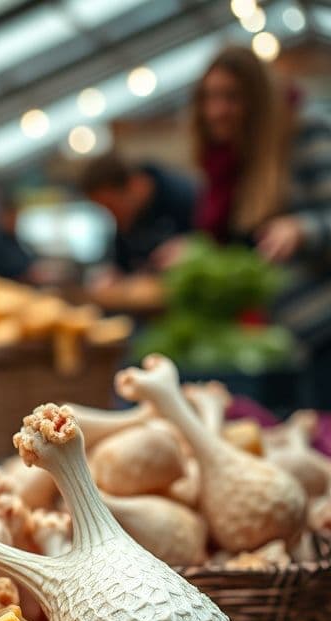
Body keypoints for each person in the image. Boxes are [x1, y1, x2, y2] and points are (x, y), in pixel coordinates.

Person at [190, 46, 331, 396]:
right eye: (209, 97)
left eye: (231, 97)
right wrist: (195, 249)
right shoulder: (231, 162)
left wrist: (302, 228)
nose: (216, 111)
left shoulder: (305, 130)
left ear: (258, 99)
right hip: (286, 342)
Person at [79, 152, 197, 275]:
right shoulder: (125, 221)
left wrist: (191, 248)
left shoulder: (183, 196)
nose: (110, 214)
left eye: (111, 206)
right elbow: (122, 268)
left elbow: (210, 245)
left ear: (133, 185)